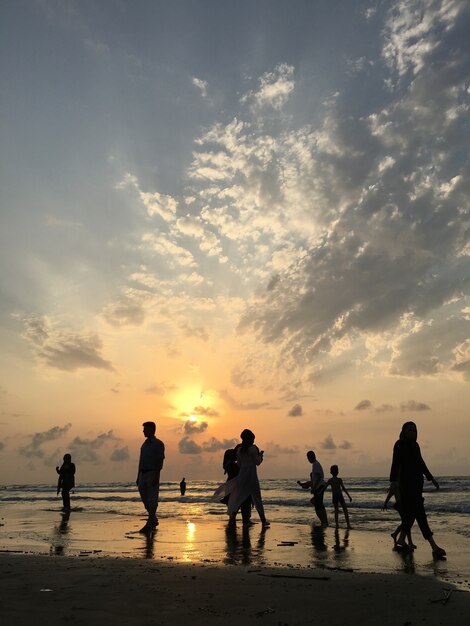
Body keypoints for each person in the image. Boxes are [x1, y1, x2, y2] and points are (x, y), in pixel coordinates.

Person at [389, 421, 445, 557]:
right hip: (406, 484)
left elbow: (421, 463)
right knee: (419, 513)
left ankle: (402, 539)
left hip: (417, 484)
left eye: (414, 430)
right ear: (404, 431)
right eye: (410, 430)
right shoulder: (399, 444)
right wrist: (393, 481)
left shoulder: (415, 446)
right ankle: (434, 546)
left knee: (413, 513)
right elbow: (395, 462)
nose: (412, 433)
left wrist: (431, 478)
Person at [227, 430, 269, 527]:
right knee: (257, 499)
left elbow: (239, 464)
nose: (254, 441)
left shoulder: (239, 450)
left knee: (238, 498)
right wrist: (261, 455)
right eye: (253, 439)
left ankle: (232, 516)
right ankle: (263, 521)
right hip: (251, 477)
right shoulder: (253, 449)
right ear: (250, 439)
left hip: (242, 477)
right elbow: (257, 462)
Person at [136, 421, 165, 533]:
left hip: (152, 472)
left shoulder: (158, 444)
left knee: (152, 498)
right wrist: (138, 475)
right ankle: (153, 518)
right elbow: (140, 460)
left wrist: (156, 475)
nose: (143, 431)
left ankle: (149, 522)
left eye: (145, 429)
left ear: (152, 429)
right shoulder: (144, 444)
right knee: (144, 498)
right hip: (143, 473)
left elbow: (160, 460)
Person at [383, 470, 415, 549]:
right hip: (400, 505)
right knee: (406, 522)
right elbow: (390, 494)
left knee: (406, 522)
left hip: (404, 504)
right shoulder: (395, 483)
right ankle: (408, 541)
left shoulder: (399, 482)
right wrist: (385, 503)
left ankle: (396, 534)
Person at [297, 450, 328, 526]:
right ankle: (324, 522)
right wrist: (302, 484)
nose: (308, 460)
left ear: (310, 457)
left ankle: (324, 522)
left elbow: (318, 477)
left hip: (319, 487)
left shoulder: (315, 464)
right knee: (319, 505)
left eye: (308, 458)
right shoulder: (315, 464)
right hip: (319, 486)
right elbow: (311, 482)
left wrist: (314, 487)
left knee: (318, 506)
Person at [323, 465, 352, 529]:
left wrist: (319, 492)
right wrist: (349, 496)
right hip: (340, 496)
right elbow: (343, 488)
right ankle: (348, 525)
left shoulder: (330, 480)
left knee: (336, 511)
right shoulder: (339, 480)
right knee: (345, 510)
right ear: (338, 472)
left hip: (334, 496)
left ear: (331, 472)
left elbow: (324, 488)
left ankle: (337, 525)